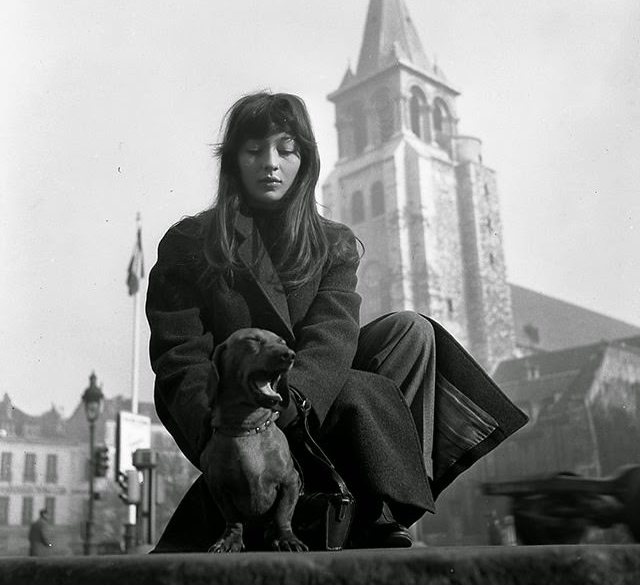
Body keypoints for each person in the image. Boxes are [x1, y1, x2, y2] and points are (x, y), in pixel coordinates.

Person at [146, 91, 527, 552]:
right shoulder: (190, 242)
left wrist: (296, 404)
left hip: (309, 402)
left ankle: (366, 503)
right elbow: (179, 355)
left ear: (304, 160)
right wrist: (218, 432)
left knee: (413, 332)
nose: (270, 163)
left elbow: (333, 334)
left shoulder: (334, 243)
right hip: (235, 415)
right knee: (356, 392)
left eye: (286, 150)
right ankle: (352, 507)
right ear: (233, 162)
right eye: (254, 150)